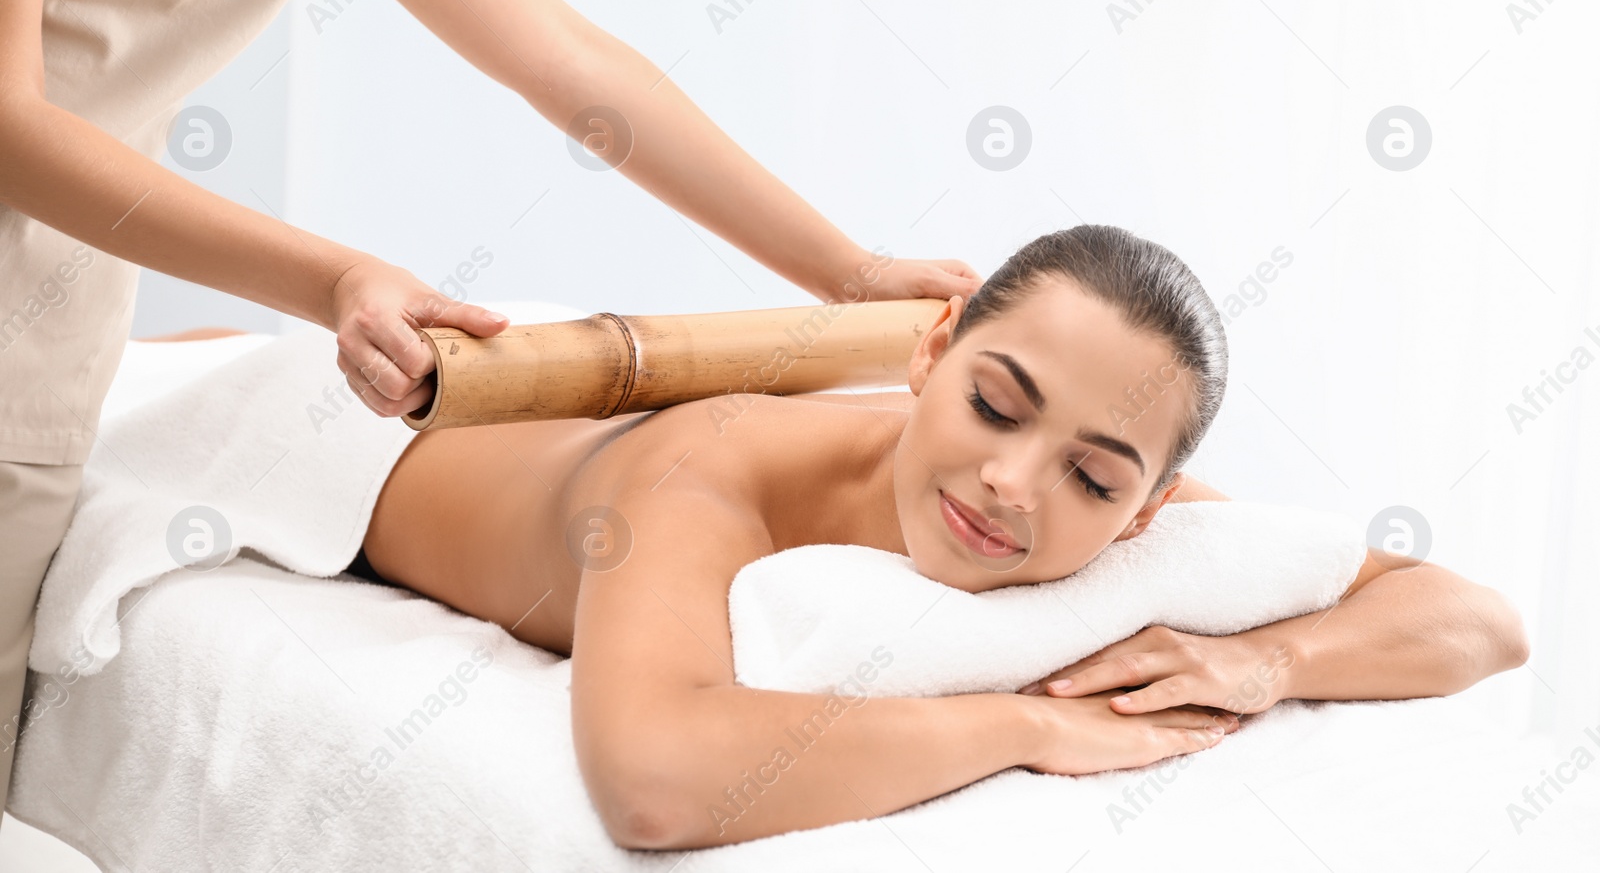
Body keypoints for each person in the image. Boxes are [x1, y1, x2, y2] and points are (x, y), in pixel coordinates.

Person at [0, 0, 980, 820]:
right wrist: (335, 279)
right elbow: (9, 118)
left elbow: (564, 57)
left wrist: (845, 270)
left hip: (44, 358)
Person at [153, 225, 1531, 849]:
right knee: (164, 371)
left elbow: (1477, 618)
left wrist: (1271, 662)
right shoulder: (707, 470)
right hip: (360, 426)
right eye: (996, 400)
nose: (1011, 484)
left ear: (1151, 507)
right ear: (936, 347)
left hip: (588, 372)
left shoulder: (1107, 495)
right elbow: (656, 782)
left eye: (1095, 475)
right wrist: (1024, 724)